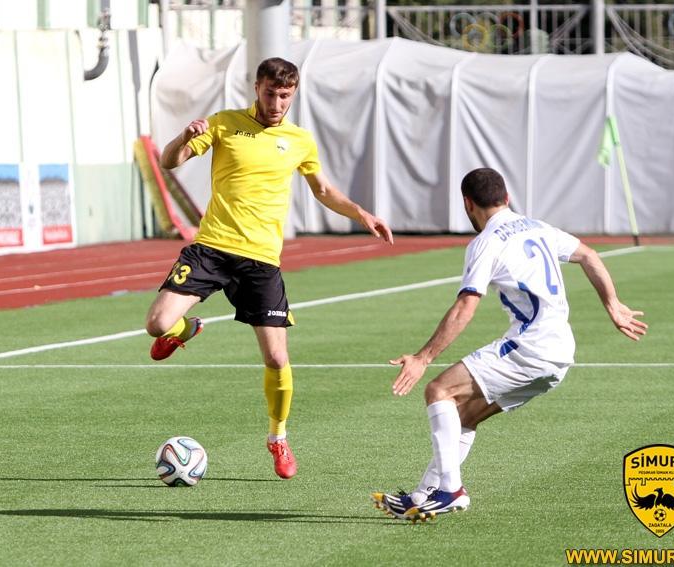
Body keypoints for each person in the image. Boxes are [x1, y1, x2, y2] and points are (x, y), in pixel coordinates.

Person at [148, 57, 393, 480]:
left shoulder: (299, 140)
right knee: (156, 324)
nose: (277, 103)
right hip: (211, 248)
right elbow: (171, 161)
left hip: (261, 262)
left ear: (293, 94)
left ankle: (278, 437)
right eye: (270, 93)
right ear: (256, 88)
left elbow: (323, 190)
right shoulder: (224, 124)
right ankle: (184, 330)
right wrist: (184, 137)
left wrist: (361, 214)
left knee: (278, 358)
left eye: (285, 96)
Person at [371, 167, 646, 521]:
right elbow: (589, 255)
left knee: (438, 391)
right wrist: (613, 304)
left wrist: (423, 357)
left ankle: (451, 491)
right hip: (561, 351)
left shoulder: (486, 242)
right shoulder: (538, 226)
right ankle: (423, 495)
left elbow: (466, 306)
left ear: (468, 204)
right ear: (507, 197)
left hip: (532, 346)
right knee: (465, 414)